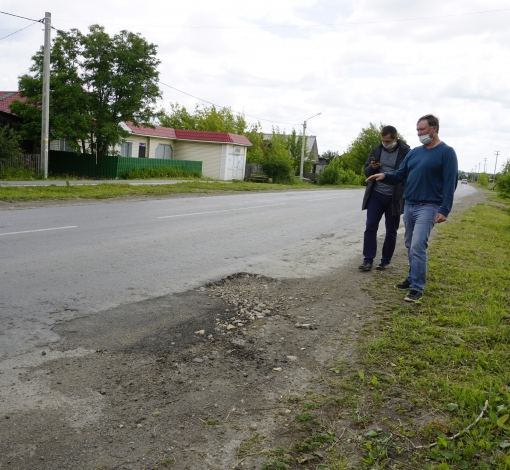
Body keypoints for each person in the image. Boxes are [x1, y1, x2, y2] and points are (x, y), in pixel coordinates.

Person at [365, 114, 458, 302]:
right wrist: (384, 176)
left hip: (429, 206)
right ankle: (411, 277)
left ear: (434, 128)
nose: (419, 133)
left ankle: (417, 287)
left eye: (422, 129)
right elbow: (400, 174)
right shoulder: (415, 152)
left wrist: (445, 209)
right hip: (409, 205)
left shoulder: (447, 152)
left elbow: (450, 182)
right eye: (417, 130)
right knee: (409, 244)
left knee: (417, 245)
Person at [359, 125, 410, 272]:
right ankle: (368, 260)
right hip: (376, 195)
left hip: (395, 197)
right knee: (370, 227)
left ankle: (385, 261)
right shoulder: (377, 150)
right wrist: (373, 167)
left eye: (388, 141)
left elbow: (407, 174)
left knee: (391, 230)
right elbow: (366, 171)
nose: (385, 144)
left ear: (396, 138)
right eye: (383, 141)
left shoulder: (406, 152)